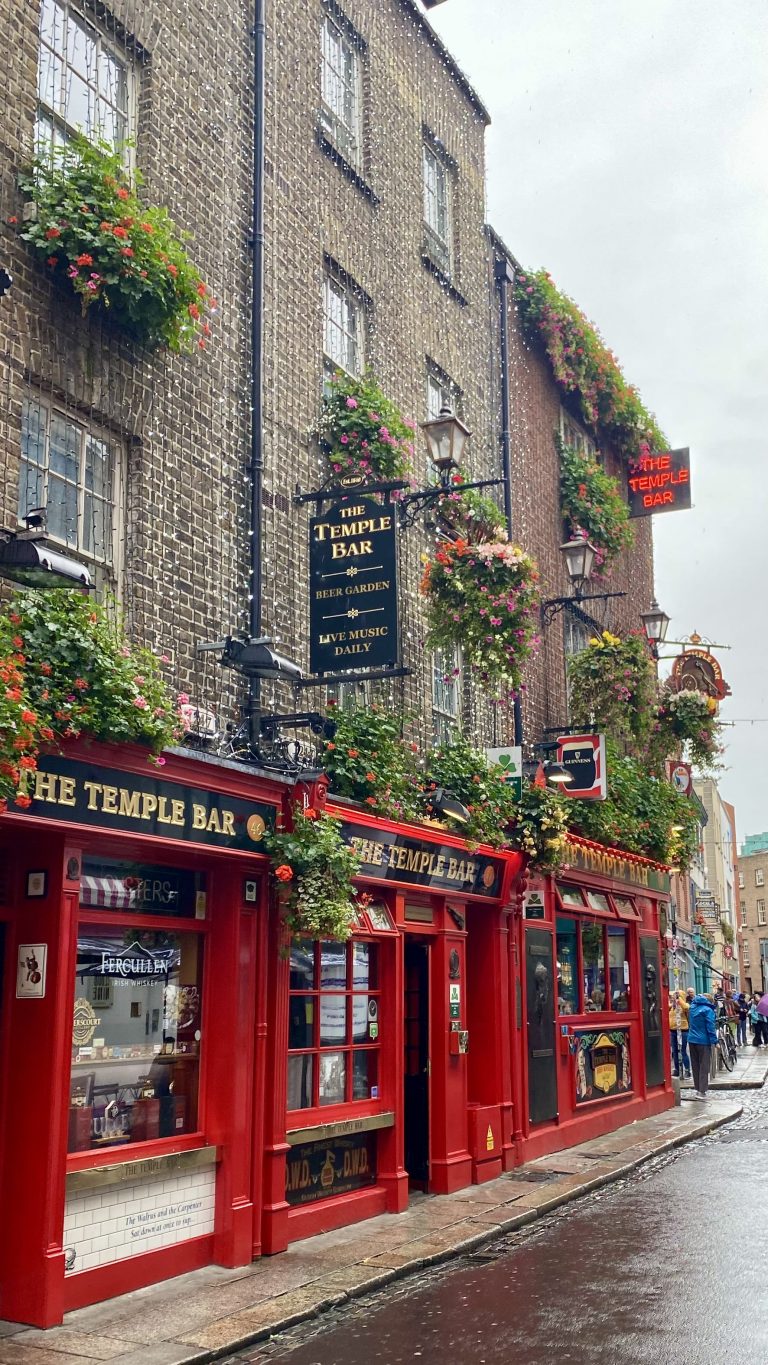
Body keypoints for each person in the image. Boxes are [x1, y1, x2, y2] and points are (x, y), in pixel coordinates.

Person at [688, 992, 717, 1099]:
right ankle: (702, 1091)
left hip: (692, 1039)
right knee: (704, 1066)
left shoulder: (692, 1007)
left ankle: (697, 1088)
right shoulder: (708, 1010)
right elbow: (710, 1027)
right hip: (703, 1041)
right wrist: (714, 1041)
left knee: (695, 1065)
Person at [668, 990, 691, 1079]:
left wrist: (679, 1000)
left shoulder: (685, 1005)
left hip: (683, 1030)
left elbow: (686, 1008)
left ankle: (687, 1070)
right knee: (674, 1052)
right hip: (673, 1031)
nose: (673, 998)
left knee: (683, 1051)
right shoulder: (672, 1007)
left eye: (675, 996)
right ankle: (677, 1069)